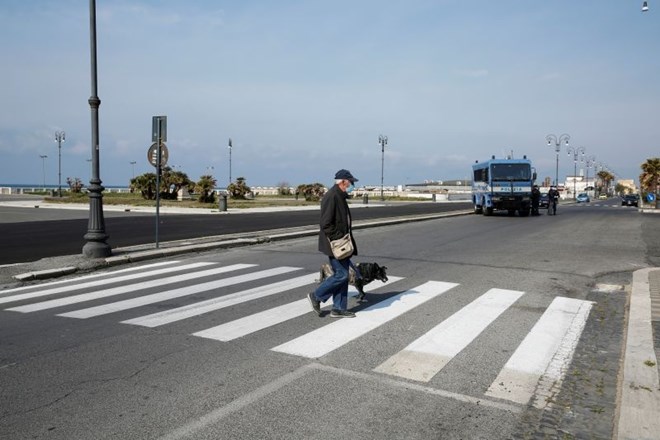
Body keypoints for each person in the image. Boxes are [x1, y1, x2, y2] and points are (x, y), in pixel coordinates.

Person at [307, 169, 359, 318]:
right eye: (351, 182)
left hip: (342, 245)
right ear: (343, 182)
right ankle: (316, 296)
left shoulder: (340, 196)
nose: (353, 185)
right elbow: (325, 223)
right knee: (342, 275)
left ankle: (338, 308)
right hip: (336, 244)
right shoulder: (332, 196)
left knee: (342, 275)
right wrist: (338, 239)